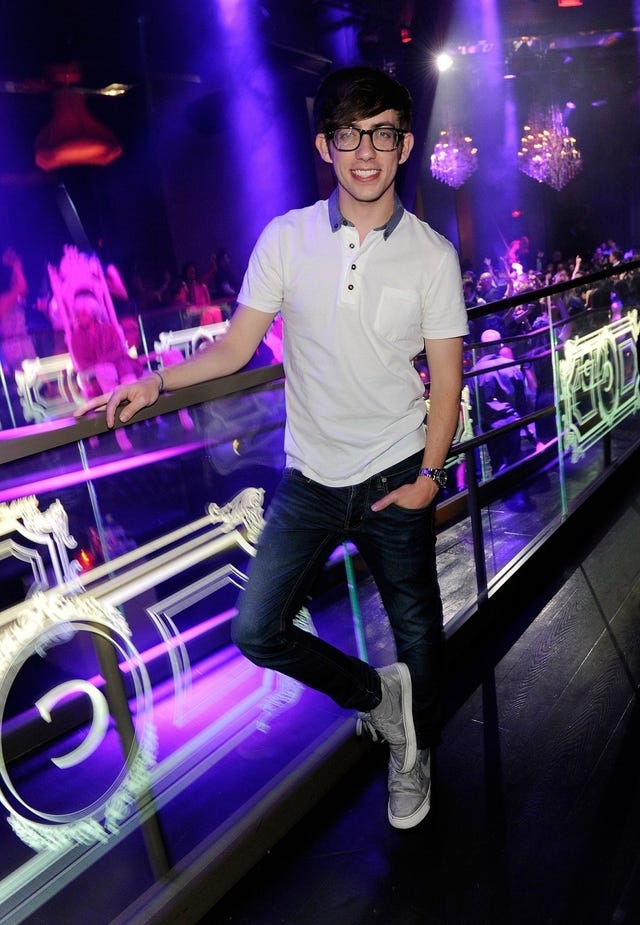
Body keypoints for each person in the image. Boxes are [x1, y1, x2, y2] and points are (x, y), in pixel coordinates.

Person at [77, 65, 468, 829]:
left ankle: (414, 755)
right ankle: (377, 697)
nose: (366, 151)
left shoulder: (430, 254)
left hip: (398, 470)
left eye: (383, 134)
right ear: (325, 146)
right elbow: (235, 348)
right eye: (349, 134)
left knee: (418, 627)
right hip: (312, 477)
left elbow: (447, 380)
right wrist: (157, 381)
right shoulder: (286, 239)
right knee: (256, 627)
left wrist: (429, 475)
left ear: (405, 144)